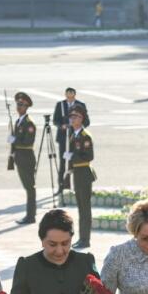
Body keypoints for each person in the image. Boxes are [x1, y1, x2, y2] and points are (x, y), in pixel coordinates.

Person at [66, 106, 94, 248]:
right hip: (77, 173)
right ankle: (82, 237)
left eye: (75, 117)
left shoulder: (85, 136)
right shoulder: (74, 135)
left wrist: (73, 156)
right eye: (71, 117)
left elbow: (90, 156)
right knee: (80, 207)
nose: (72, 119)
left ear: (81, 118)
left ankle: (85, 239)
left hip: (84, 172)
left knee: (85, 208)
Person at [10, 91, 38, 226]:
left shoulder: (29, 123)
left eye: (21, 105)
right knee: (27, 186)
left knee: (30, 187)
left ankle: (31, 215)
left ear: (26, 107)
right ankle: (30, 213)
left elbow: (28, 142)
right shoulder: (18, 122)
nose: (19, 107)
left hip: (26, 156)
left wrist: (15, 140)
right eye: (18, 104)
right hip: (20, 156)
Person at [52, 88, 88, 185]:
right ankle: (62, 185)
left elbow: (87, 122)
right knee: (63, 163)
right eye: (68, 93)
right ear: (65, 94)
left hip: (76, 138)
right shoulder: (60, 105)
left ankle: (78, 186)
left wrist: (77, 126)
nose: (69, 95)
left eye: (71, 93)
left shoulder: (80, 105)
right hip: (63, 137)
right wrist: (61, 126)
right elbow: (55, 120)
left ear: (74, 94)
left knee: (77, 161)